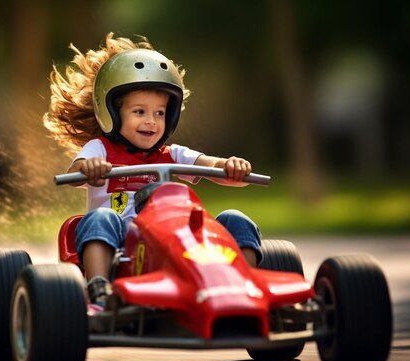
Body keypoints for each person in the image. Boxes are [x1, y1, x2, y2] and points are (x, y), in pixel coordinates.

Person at [44, 33, 262, 309]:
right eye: (139, 112)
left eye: (160, 113)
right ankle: (99, 289)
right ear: (110, 112)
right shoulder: (99, 149)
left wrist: (230, 166)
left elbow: (212, 166)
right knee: (101, 217)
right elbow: (76, 173)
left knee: (236, 219)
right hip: (123, 246)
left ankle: (244, 287)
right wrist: (89, 168)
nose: (151, 121)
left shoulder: (172, 155)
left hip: (177, 238)